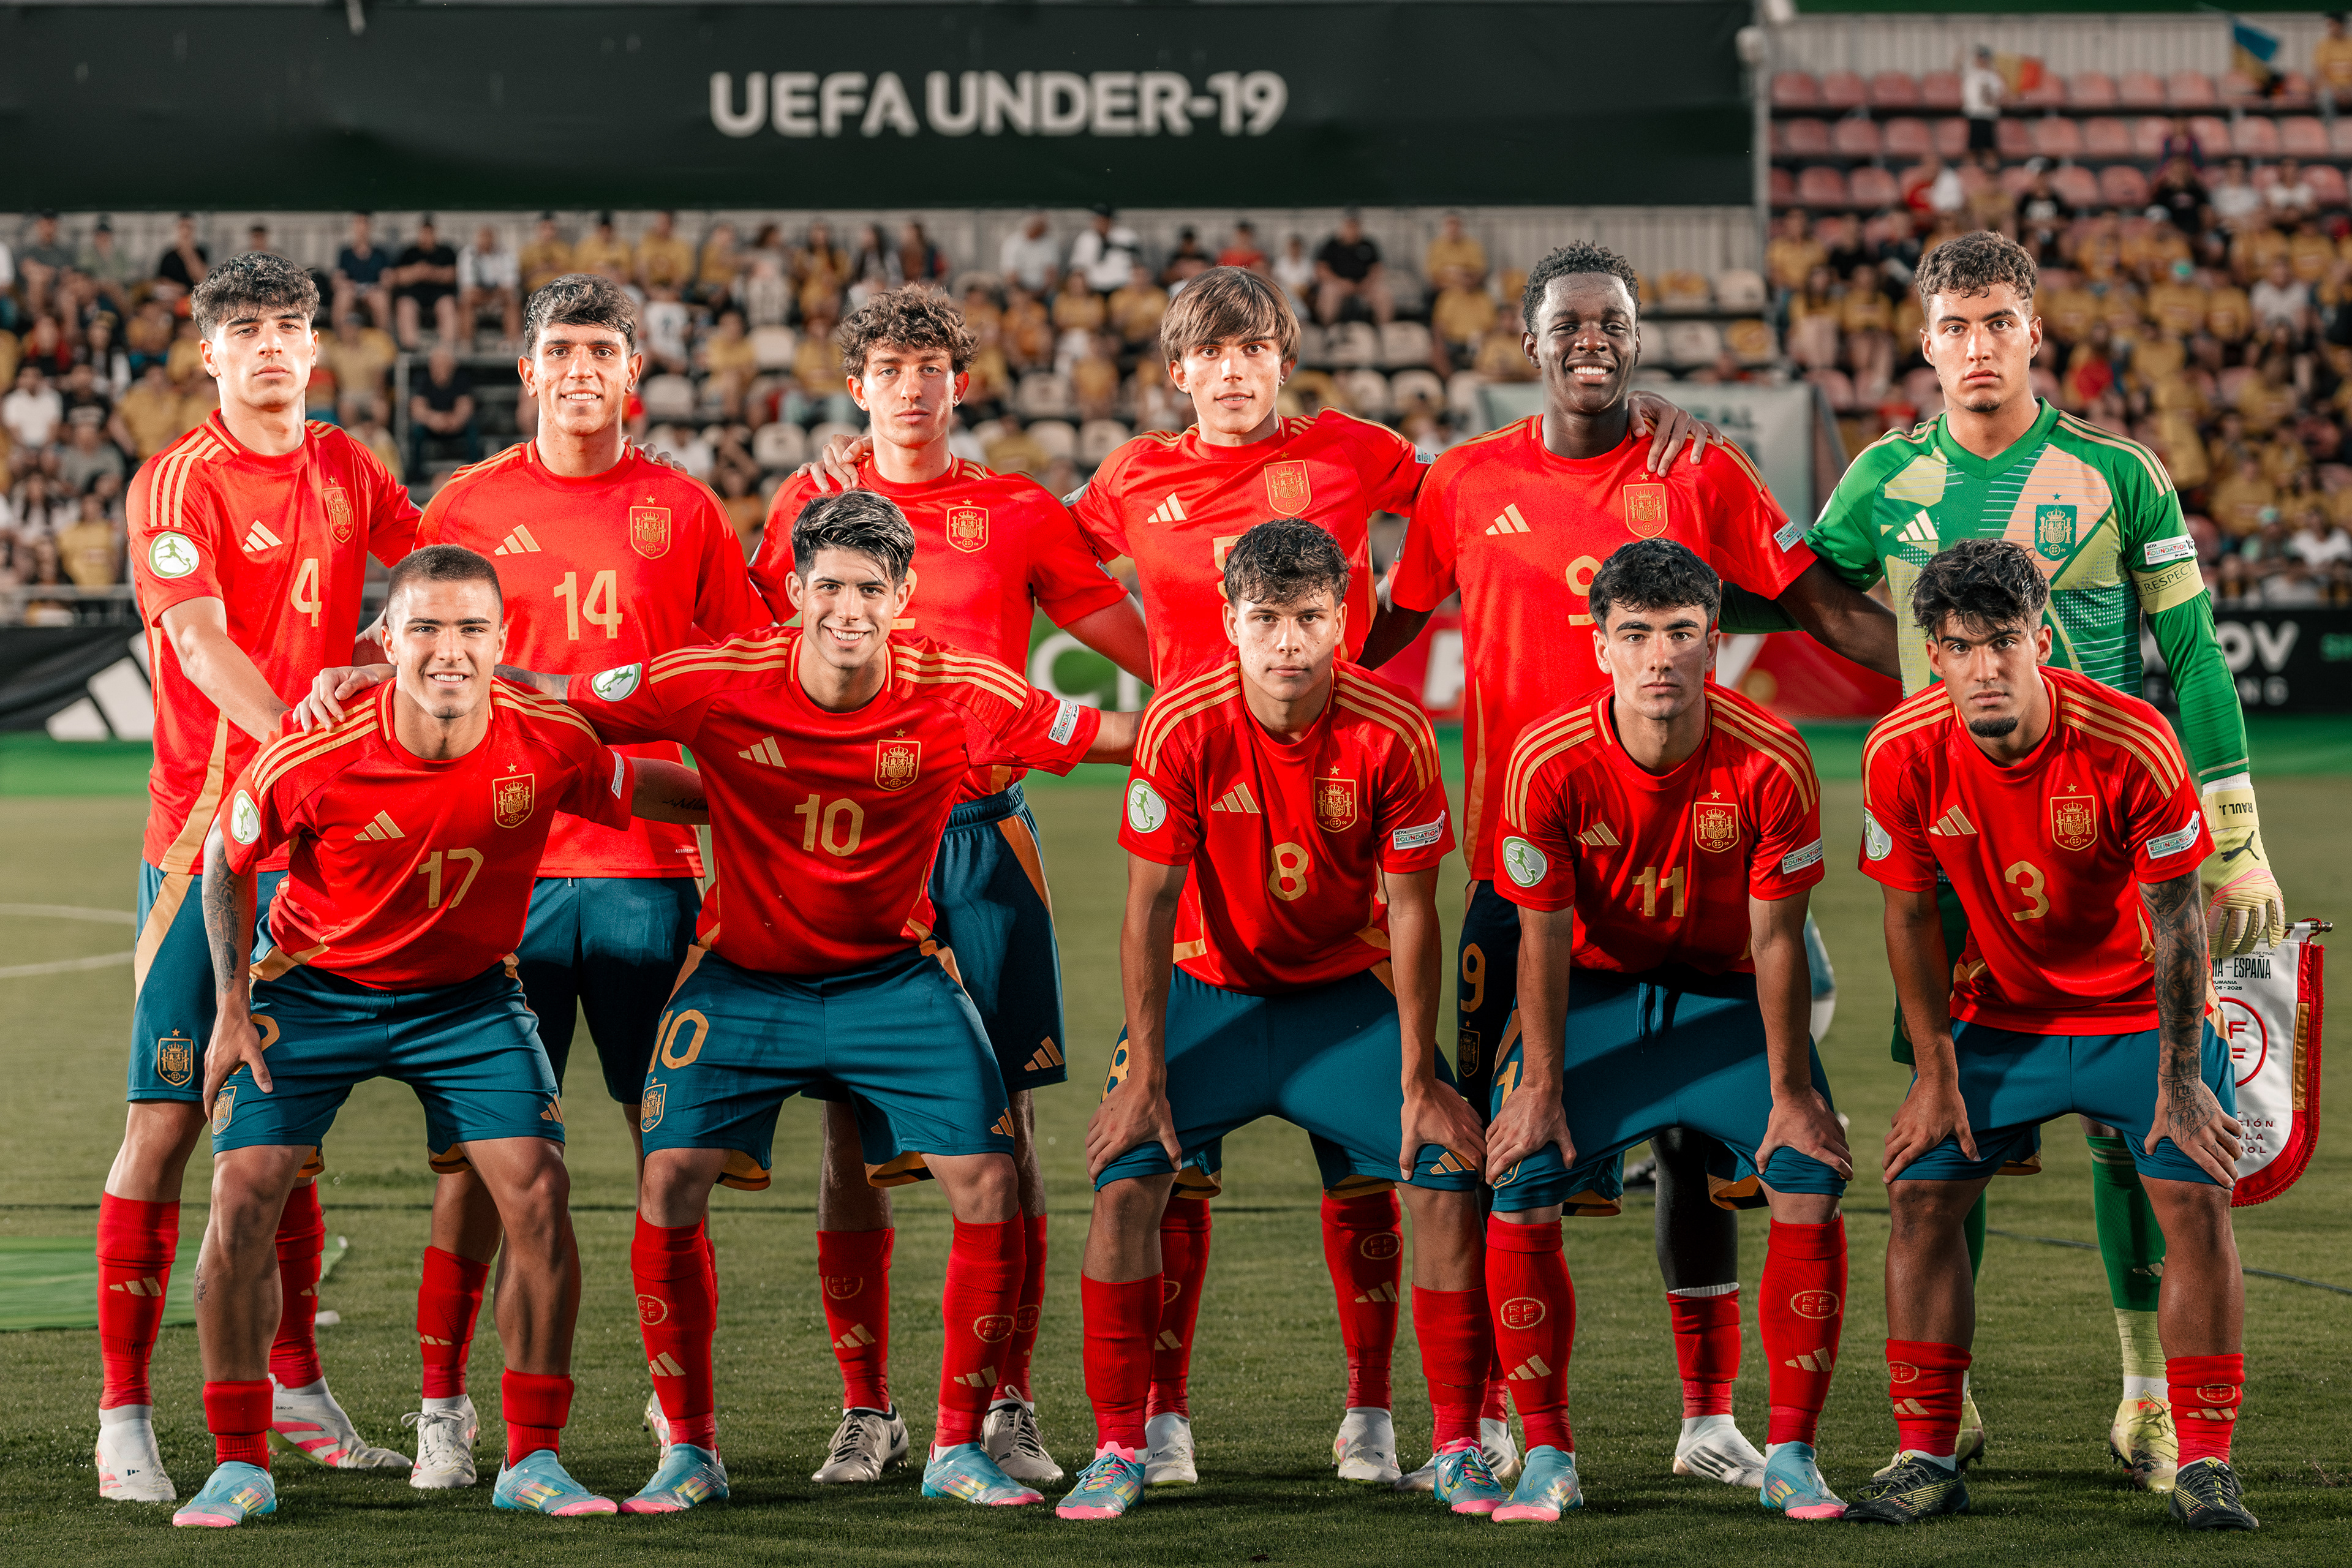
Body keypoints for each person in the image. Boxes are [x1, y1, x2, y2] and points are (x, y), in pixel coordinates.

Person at [1382, 238, 1896, 1493]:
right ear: (1531, 338)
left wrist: (1961, 667)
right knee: (1487, 1144)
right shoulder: (1462, 482)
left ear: (1637, 334)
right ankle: (1482, 1423)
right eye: (1569, 322)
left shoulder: (1696, 465)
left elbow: (1808, 593)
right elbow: (1386, 626)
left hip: (1694, 868)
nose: (1591, 340)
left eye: (1612, 319)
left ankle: (1711, 1412)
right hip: (1525, 879)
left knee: (1697, 1142)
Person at [539, 489, 1138, 1512]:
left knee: (991, 1182)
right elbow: (561, 700)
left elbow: (1119, 733)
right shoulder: (718, 680)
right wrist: (403, 678)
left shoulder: (962, 690)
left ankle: (957, 1446)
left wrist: (1260, 703)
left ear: (905, 598)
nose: (846, 609)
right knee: (669, 1176)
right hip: (746, 979)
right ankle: (690, 1449)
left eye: (869, 589)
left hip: (892, 977)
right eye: (826, 587)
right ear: (794, 596)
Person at [1805, 229, 2283, 1491]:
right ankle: (1942, 1408)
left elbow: (2192, 652)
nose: (1976, 346)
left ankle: (2147, 1401)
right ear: (1925, 341)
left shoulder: (2117, 473)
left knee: (2146, 1145)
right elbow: (1809, 588)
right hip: (1960, 832)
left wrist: (2234, 838)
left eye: (1997, 322)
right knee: (1946, 1124)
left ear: (2033, 332)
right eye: (1953, 325)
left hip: (2121, 826)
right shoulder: (1879, 479)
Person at [301, 273, 769, 1489]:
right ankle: (445, 1407)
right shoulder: (470, 499)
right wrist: (352, 681)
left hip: (645, 865)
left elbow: (737, 674)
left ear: (634, 371)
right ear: (526, 370)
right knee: (474, 1161)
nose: (578, 368)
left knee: (668, 1158)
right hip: (491, 867)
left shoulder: (686, 508)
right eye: (558, 349)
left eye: (601, 349)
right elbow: (410, 636)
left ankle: (687, 1429)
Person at [176, 544, 709, 1527]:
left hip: (466, 999)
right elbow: (224, 854)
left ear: (504, 643)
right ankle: (237, 1461)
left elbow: (644, 790)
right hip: (316, 988)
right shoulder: (318, 746)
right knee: (243, 1192)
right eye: (424, 628)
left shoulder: (545, 736)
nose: (449, 651)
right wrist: (229, 1007)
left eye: (471, 629)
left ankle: (533, 1459)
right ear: (387, 641)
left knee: (540, 1190)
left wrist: (768, 796)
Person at [752, 286, 1152, 1488]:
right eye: (889, 364)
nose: (913, 385)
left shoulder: (1015, 508)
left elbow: (1129, 632)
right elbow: (767, 657)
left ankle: (1010, 1399)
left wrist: (1228, 679)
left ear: (959, 383)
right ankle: (866, 1406)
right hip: (855, 846)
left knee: (1011, 1130)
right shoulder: (807, 506)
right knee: (843, 1128)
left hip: (981, 839)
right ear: (857, 382)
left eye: (932, 366)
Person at [1054, 520, 1487, 1521]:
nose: (1286, 641)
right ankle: (1123, 1444)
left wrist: (1422, 1080)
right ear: (1229, 622)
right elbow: (1148, 909)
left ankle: (1457, 1439)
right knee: (1125, 1182)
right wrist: (1145, 1076)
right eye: (1266, 619)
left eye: (1307, 619)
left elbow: (1416, 913)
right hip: (1209, 995)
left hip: (1342, 1003)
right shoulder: (1182, 723)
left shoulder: (1398, 729)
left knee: (1446, 1167)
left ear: (1343, 620)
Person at [1851, 539, 2255, 1531]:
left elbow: (2180, 920)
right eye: (1958, 647)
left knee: (2192, 1196)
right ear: (1933, 653)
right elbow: (1907, 918)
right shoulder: (1900, 750)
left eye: (2002, 643)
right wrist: (1933, 1073)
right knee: (1918, 1193)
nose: (1983, 669)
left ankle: (2204, 1463)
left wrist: (2179, 1076)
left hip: (2138, 1015)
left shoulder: (2132, 739)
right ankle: (1927, 1454)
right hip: (2001, 1017)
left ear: (2041, 638)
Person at [105, 252, 421, 1506]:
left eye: (291, 325)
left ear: (316, 342)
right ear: (212, 354)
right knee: (167, 1125)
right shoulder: (178, 479)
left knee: (285, 1135)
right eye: (248, 329)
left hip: (321, 848)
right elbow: (198, 640)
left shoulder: (347, 466)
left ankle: (293, 1385)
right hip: (206, 846)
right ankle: (124, 1411)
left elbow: (445, 566)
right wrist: (308, 728)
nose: (274, 346)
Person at [1480, 539, 1853, 1523]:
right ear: (1599, 645)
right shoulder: (1547, 759)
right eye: (1635, 635)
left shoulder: (1772, 757)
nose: (1659, 659)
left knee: (1808, 1173)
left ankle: (1788, 1454)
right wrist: (1542, 1088)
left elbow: (1778, 945)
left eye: (1682, 635)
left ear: (1715, 643)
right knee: (1520, 1175)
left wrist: (1791, 1095)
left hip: (1726, 999)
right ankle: (1548, 1454)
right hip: (1596, 1000)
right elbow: (1543, 942)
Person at [406, 347, 478, 481]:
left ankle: (474, 470)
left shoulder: (461, 379)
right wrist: (433, 419)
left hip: (455, 424)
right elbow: (417, 408)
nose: (440, 369)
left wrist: (455, 420)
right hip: (432, 425)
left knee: (472, 431)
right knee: (417, 433)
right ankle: (416, 475)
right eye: (437, 365)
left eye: (445, 365)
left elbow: (466, 406)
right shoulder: (423, 379)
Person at [1313, 210, 1393, 326]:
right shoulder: (1332, 245)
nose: (1352, 230)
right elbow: (1321, 269)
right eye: (1349, 226)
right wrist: (1340, 283)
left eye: (1355, 226)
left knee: (1384, 295)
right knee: (1328, 295)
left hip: (1364, 286)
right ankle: (1328, 331)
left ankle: (1384, 331)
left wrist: (1366, 283)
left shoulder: (1368, 244)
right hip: (1339, 285)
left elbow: (1377, 269)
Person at [391, 218, 461, 350]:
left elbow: (452, 275)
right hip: (413, 296)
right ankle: (411, 348)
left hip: (440, 296)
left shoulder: (446, 252)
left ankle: (447, 349)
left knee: (448, 305)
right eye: (424, 232)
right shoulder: (409, 253)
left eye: (430, 233)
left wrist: (431, 272)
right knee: (405, 305)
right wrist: (417, 271)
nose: (427, 237)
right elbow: (397, 276)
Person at [459, 224, 522, 345]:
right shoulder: (468, 254)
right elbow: (467, 286)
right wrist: (486, 293)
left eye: (489, 237)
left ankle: (512, 343)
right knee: (466, 299)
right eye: (483, 237)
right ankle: (466, 343)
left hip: (499, 296)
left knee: (513, 298)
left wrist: (496, 292)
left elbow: (511, 284)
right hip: (478, 297)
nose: (486, 241)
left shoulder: (505, 254)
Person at [333, 213, 393, 331]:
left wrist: (377, 288)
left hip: (373, 291)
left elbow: (388, 279)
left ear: (370, 227)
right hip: (352, 291)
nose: (361, 228)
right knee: (343, 296)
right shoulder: (345, 253)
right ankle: (339, 338)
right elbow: (337, 279)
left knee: (381, 298)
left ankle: (382, 340)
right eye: (358, 223)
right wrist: (344, 284)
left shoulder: (380, 254)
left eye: (364, 224)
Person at [1069, 206, 1143, 295]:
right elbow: (1077, 268)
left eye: (1105, 220)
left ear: (1111, 221)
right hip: (1094, 290)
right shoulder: (1085, 239)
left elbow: (1138, 265)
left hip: (1122, 289)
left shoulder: (1127, 236)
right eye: (1098, 220)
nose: (1101, 224)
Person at [1000, 213, 1060, 295]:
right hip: (1019, 290)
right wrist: (1025, 295)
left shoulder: (1049, 243)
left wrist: (1038, 294)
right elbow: (1011, 276)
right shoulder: (1013, 242)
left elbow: (1051, 274)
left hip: (1043, 292)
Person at [1961, 47, 2004, 153]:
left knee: (1989, 149)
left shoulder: (1994, 76)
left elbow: (2002, 94)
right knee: (1972, 149)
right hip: (1974, 114)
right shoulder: (1971, 73)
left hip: (1988, 115)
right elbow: (1957, 65)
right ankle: (1972, 169)